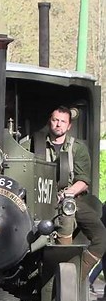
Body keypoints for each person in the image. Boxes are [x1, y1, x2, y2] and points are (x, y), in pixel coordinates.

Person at [42, 105, 106, 281]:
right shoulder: (34, 144)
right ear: (50, 121)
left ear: (69, 126)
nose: (58, 125)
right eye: (55, 120)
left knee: (101, 237)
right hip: (41, 199)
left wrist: (67, 194)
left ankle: (74, 278)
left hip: (72, 201)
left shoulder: (77, 148)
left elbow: (83, 181)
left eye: (63, 121)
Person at [89, 202, 106, 295]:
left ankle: (89, 281)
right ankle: (89, 281)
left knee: (101, 263)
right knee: (101, 264)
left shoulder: (103, 207)